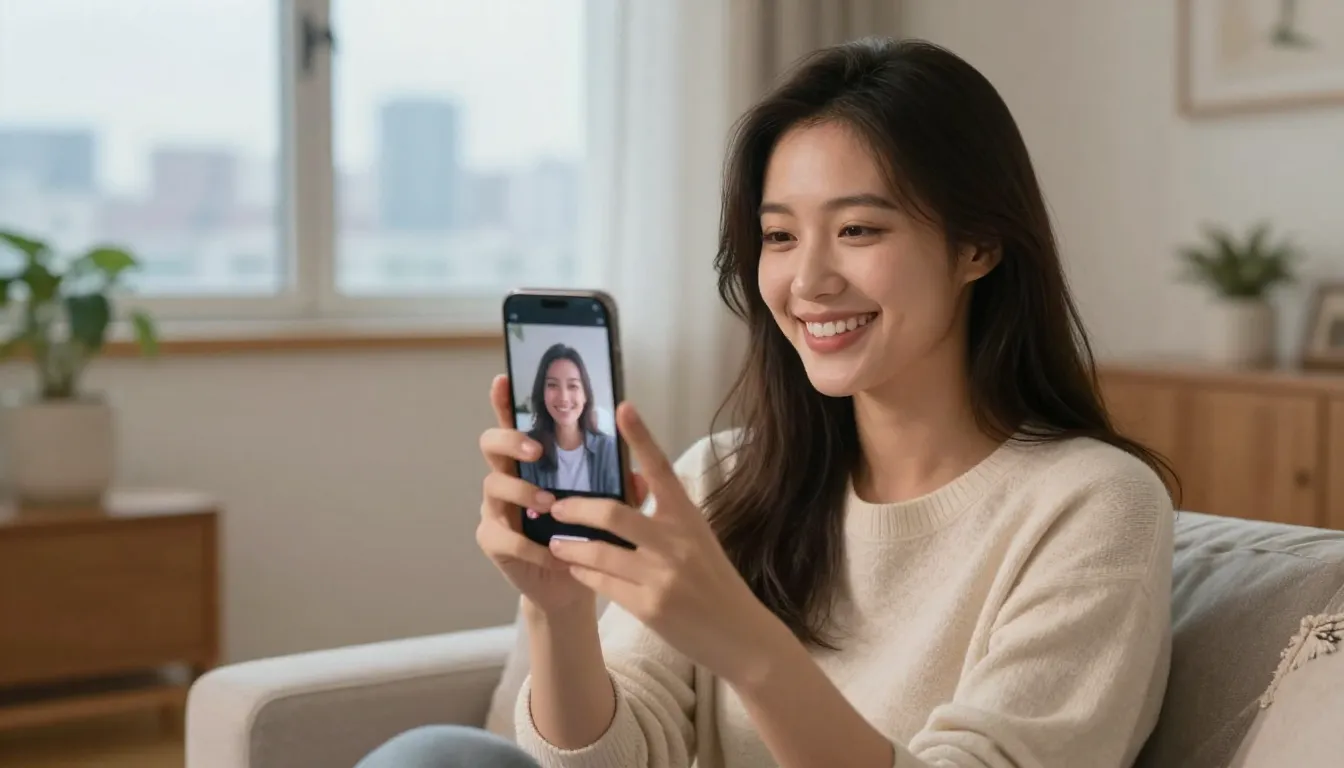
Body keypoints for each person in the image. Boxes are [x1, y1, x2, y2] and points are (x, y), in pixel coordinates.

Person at [358, 37, 1176, 768]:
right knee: (435, 756)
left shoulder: (1092, 505)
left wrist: (749, 648)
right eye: (779, 237)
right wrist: (562, 614)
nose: (808, 281)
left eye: (858, 230)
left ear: (978, 245)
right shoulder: (726, 474)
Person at [516, 342, 621, 496]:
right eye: (552, 385)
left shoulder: (609, 450)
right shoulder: (527, 450)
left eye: (573, 386)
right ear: (542, 393)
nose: (564, 397)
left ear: (585, 395)